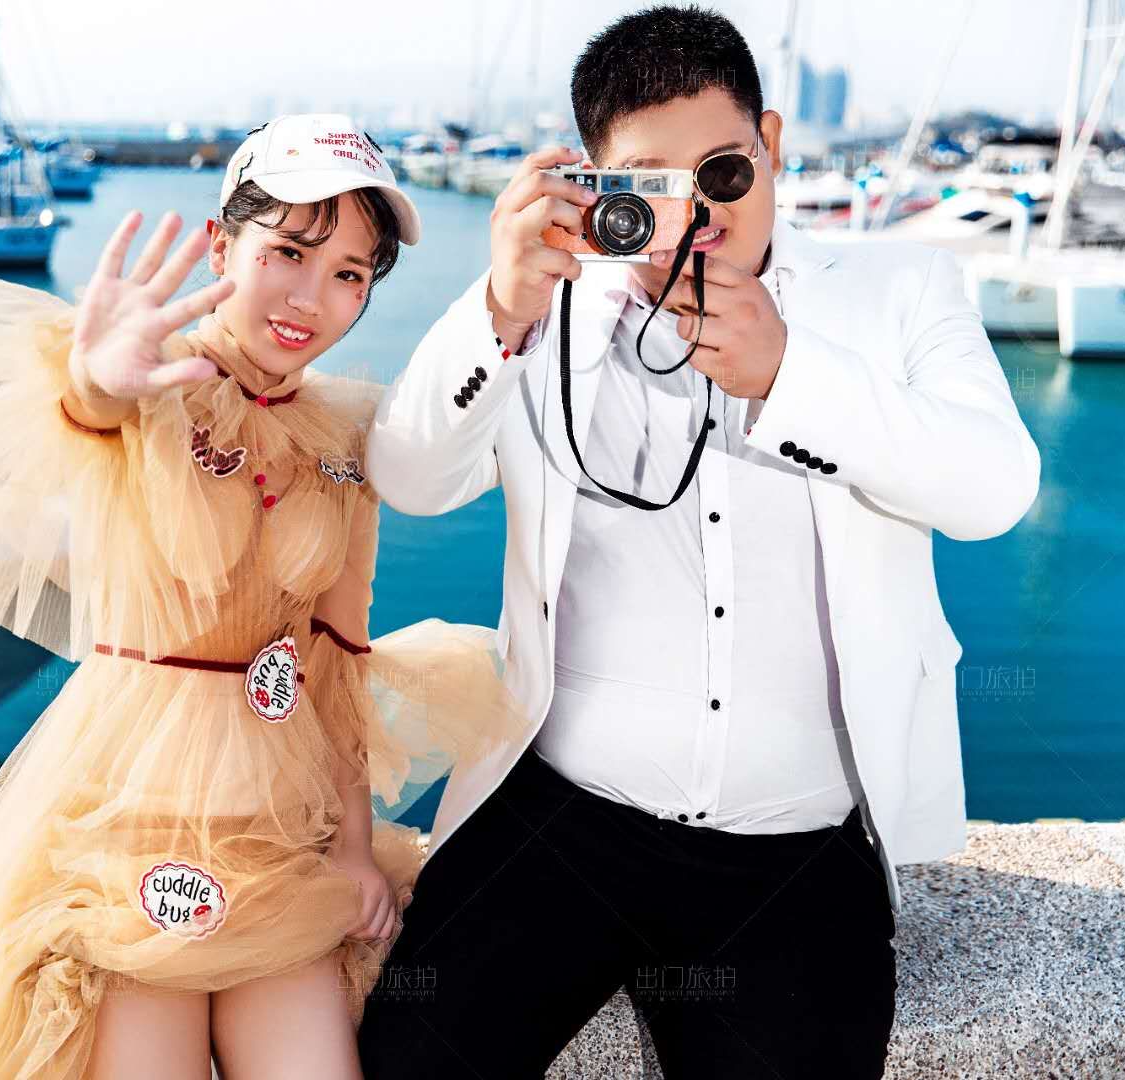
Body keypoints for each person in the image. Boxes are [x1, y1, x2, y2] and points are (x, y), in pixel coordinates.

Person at [0, 114, 531, 1080]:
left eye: (349, 274)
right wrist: (95, 379)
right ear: (220, 246)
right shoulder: (152, 378)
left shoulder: (346, 436)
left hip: (280, 833)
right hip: (128, 814)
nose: (310, 298)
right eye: (288, 251)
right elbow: (86, 412)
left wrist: (355, 848)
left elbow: (340, 656)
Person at [357, 5, 1040, 1079]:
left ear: (771, 144)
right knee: (411, 1059)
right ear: (598, 182)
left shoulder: (900, 291)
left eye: (723, 171)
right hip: (560, 818)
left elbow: (996, 489)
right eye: (656, 183)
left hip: (795, 847)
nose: (699, 212)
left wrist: (790, 373)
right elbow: (410, 476)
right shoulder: (552, 307)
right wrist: (497, 307)